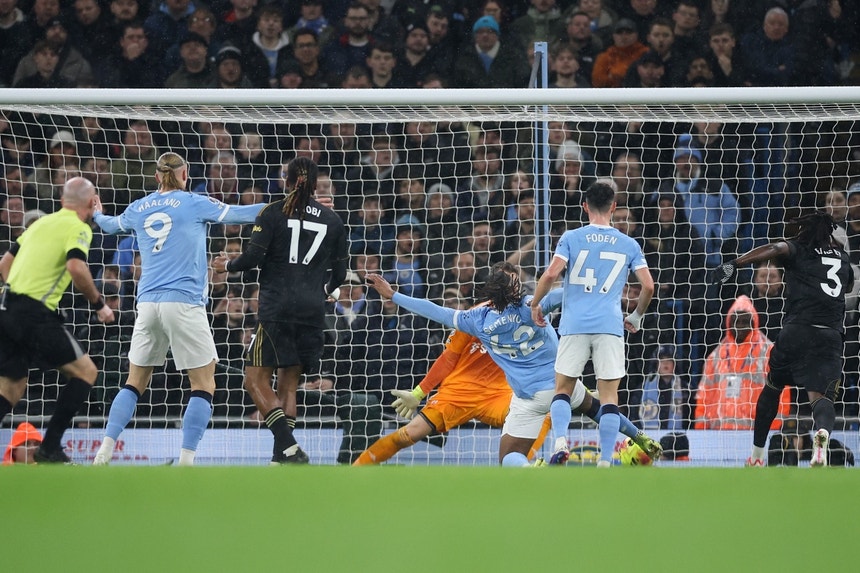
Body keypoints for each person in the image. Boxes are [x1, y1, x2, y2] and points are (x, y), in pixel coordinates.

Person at [365, 262, 661, 466]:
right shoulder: (534, 306)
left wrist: (393, 295)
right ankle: (640, 438)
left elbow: (436, 311)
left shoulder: (478, 321)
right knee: (596, 409)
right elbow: (569, 295)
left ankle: (536, 465)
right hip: (563, 383)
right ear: (514, 291)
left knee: (508, 458)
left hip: (530, 398)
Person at [91, 152, 265, 466]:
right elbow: (242, 214)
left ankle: (104, 451)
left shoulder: (138, 207)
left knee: (134, 382)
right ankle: (186, 460)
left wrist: (97, 213)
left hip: (148, 305)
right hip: (184, 302)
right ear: (184, 174)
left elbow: (110, 227)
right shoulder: (194, 202)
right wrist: (284, 208)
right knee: (203, 383)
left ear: (157, 176)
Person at [212, 157, 348, 464]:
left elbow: (252, 258)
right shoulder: (333, 220)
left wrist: (227, 265)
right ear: (316, 185)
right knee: (289, 384)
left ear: (284, 181)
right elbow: (340, 276)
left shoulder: (272, 212)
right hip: (313, 311)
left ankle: (288, 447)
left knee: (254, 380)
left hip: (277, 309)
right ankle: (280, 458)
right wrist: (322, 292)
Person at [711, 211, 854, 467]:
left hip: (797, 331)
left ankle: (756, 456)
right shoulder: (843, 259)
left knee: (773, 387)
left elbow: (775, 247)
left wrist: (736, 263)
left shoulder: (799, 249)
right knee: (821, 397)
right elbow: (850, 284)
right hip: (830, 336)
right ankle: (822, 434)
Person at [530, 179, 656, 467]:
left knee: (562, 389)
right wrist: (636, 316)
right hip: (609, 326)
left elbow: (550, 275)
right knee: (609, 396)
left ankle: (561, 442)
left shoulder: (571, 237)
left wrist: (536, 304)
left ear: (584, 206)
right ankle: (605, 459)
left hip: (574, 324)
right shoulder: (629, 244)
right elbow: (648, 286)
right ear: (613, 207)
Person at [0, 177, 115, 464]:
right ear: (91, 203)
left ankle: (50, 447)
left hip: (6, 307)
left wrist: (18, 294)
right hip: (34, 313)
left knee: (12, 387)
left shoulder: (40, 223)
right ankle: (50, 446)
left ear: (63, 200)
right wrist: (99, 305)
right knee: (86, 372)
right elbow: (76, 267)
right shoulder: (78, 227)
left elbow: (5, 264)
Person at [694, 295, 790, 430]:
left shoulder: (768, 353)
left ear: (754, 322)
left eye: (745, 322)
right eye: (736, 321)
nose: (740, 326)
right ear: (729, 322)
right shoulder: (715, 356)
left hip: (757, 435)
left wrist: (772, 430)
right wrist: (701, 430)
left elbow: (782, 395)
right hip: (718, 436)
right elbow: (704, 395)